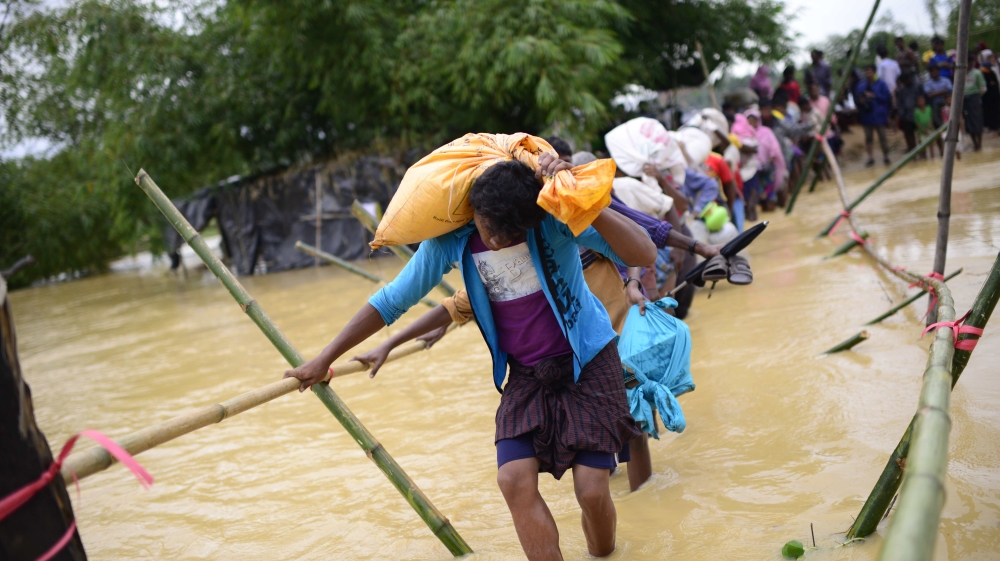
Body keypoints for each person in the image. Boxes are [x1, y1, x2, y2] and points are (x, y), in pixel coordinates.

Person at [285, 153, 657, 560]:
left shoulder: (554, 220)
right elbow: (392, 300)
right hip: (527, 373)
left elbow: (644, 253)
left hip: (587, 360)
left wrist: (585, 200)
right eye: (489, 229)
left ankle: (604, 555)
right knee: (513, 480)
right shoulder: (453, 238)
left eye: (511, 231)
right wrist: (326, 357)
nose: (497, 240)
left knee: (591, 489)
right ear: (473, 213)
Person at [855, 64, 892, 166]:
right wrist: (861, 100)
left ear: (874, 72)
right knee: (868, 138)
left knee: (882, 137)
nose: (868, 73)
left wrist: (874, 95)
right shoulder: (861, 85)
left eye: (870, 71)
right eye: (866, 71)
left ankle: (886, 156)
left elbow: (886, 98)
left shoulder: (881, 84)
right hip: (866, 115)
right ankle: (870, 157)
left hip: (879, 115)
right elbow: (857, 99)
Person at [963, 52, 986, 152]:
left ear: (972, 62)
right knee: (968, 122)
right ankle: (975, 144)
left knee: (978, 121)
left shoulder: (977, 73)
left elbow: (983, 88)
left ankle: (979, 144)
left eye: (969, 61)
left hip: (975, 98)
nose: (968, 63)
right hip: (965, 99)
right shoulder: (961, 74)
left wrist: (977, 97)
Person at [896, 72, 922, 153]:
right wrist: (901, 115)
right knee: (909, 135)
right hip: (906, 116)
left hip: (918, 114)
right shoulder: (901, 89)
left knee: (921, 135)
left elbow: (922, 98)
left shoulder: (918, 86)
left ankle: (922, 153)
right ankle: (912, 152)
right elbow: (899, 103)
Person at [914, 94, 939, 158]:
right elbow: (917, 123)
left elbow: (932, 118)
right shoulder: (916, 111)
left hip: (930, 129)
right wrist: (923, 130)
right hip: (921, 131)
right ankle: (924, 157)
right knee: (923, 145)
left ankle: (932, 156)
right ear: (917, 103)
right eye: (919, 101)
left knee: (931, 144)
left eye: (922, 100)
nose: (921, 102)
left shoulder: (929, 108)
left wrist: (930, 124)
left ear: (925, 101)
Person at [981, 50, 1000, 132]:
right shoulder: (983, 71)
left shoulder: (994, 69)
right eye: (989, 57)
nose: (992, 59)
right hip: (988, 96)